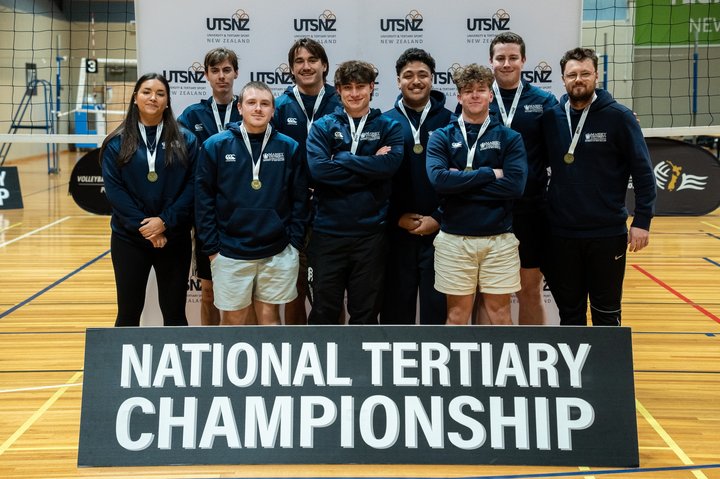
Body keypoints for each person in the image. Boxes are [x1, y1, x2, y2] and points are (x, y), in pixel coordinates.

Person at [541, 47, 656, 326]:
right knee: (570, 313)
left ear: (596, 75)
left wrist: (642, 221)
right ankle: (575, 358)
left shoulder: (619, 116)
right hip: (561, 234)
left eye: (585, 73)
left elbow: (643, 172)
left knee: (607, 312)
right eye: (572, 75)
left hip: (607, 233)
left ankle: (607, 358)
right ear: (563, 79)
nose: (578, 79)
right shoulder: (551, 118)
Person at [195, 81, 309, 326]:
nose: (258, 108)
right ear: (240, 107)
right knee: (233, 321)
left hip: (277, 250)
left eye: (265, 104)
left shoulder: (289, 147)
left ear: (273, 110)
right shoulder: (215, 145)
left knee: (270, 319)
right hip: (229, 251)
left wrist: (294, 245)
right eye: (251, 103)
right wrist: (213, 249)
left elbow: (300, 200)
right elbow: (203, 201)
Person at [425, 64, 527, 325]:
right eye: (468, 90)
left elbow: (515, 186)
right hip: (454, 239)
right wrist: (490, 173)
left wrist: (459, 183)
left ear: (490, 95)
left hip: (499, 239)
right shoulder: (441, 137)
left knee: (500, 316)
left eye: (481, 89)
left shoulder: (510, 137)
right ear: (459, 96)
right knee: (456, 316)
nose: (474, 95)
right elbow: (439, 181)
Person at [305, 60, 404, 325]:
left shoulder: (389, 126)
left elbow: (389, 166)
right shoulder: (323, 126)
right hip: (327, 234)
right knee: (323, 314)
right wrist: (371, 167)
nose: (355, 93)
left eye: (360, 86)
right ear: (338, 90)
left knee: (366, 315)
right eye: (347, 87)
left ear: (371, 87)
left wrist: (343, 158)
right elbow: (320, 171)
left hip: (370, 236)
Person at [101, 73, 198, 327]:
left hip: (173, 237)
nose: (153, 97)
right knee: (128, 314)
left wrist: (164, 222)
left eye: (160, 93)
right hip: (129, 239)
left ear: (167, 101)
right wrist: (146, 227)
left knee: (175, 315)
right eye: (146, 92)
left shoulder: (186, 140)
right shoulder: (115, 142)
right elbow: (115, 192)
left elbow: (192, 187)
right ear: (135, 98)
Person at [486, 32, 559, 325]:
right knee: (491, 294)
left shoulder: (544, 101)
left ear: (524, 60)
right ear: (491, 61)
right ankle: (493, 352)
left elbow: (564, 141)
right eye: (500, 58)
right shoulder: (477, 97)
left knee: (529, 290)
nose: (507, 63)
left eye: (513, 57)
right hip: (488, 209)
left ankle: (531, 350)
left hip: (531, 209)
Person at [272, 38, 342, 325]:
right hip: (292, 212)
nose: (306, 66)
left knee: (331, 292)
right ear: (291, 69)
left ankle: (336, 347)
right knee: (294, 289)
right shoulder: (279, 107)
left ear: (324, 65)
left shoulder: (341, 102)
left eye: (312, 60)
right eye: (299, 61)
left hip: (334, 209)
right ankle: (296, 347)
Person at [380, 48, 452, 325]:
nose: (416, 81)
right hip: (397, 232)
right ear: (398, 81)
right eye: (408, 75)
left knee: (438, 316)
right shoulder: (384, 122)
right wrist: (395, 217)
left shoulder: (451, 122)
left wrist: (439, 218)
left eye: (423, 74)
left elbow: (460, 178)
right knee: (396, 316)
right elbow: (375, 180)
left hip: (442, 233)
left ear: (433, 78)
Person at [178, 47, 241, 326]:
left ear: (236, 73)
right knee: (208, 292)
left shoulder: (249, 109)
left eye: (227, 70)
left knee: (245, 293)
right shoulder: (192, 116)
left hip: (243, 212)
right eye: (215, 71)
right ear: (206, 75)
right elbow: (180, 163)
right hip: (207, 214)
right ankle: (211, 344)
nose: (221, 76)